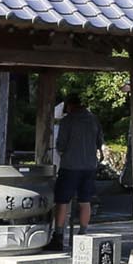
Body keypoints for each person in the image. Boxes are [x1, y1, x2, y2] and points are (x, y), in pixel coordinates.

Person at [48, 94, 102, 250]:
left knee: (62, 201)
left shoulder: (68, 121)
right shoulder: (94, 119)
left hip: (70, 166)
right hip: (90, 166)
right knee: (85, 201)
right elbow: (99, 142)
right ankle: (83, 233)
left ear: (69, 106)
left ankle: (58, 236)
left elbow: (61, 145)